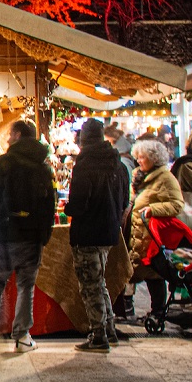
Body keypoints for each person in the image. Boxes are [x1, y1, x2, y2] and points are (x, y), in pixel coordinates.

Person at [0, 120, 56, 353]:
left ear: (18, 135)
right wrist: (44, 235)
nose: (8, 138)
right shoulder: (42, 167)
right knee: (25, 286)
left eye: (10, 134)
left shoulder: (4, 164)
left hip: (4, 233)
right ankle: (22, 337)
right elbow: (48, 206)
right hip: (31, 236)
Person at [67, 119, 131, 352]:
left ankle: (98, 336)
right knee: (99, 281)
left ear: (83, 139)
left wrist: (68, 209)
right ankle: (109, 330)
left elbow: (78, 204)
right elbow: (125, 201)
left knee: (90, 285)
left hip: (87, 232)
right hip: (109, 232)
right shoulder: (118, 165)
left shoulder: (85, 165)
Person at [126, 139, 184, 324]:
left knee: (154, 274)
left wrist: (153, 209)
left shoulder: (166, 178)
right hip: (136, 232)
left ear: (154, 158)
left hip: (152, 236)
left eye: (142, 157)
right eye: (137, 157)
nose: (139, 160)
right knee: (138, 272)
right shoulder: (138, 176)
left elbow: (177, 205)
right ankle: (137, 309)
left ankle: (158, 312)